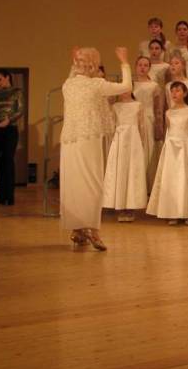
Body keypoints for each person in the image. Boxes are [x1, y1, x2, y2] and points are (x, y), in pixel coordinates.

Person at [60, 46, 130, 250]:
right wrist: (124, 61)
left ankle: (78, 229)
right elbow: (126, 86)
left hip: (69, 141)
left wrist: (74, 60)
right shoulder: (97, 85)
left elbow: (73, 74)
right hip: (88, 140)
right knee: (92, 183)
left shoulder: (68, 85)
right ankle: (92, 230)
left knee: (73, 184)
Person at [146, 82, 188, 225]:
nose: (174, 93)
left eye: (178, 91)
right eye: (172, 91)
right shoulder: (168, 112)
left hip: (186, 147)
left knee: (186, 178)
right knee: (172, 178)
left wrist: (185, 140)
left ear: (185, 93)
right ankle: (172, 211)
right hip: (171, 148)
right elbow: (168, 130)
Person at [102, 91, 147, 222]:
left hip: (133, 140)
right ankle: (120, 206)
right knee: (120, 171)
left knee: (132, 171)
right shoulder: (115, 106)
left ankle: (131, 207)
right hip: (119, 139)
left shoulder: (138, 105)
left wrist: (141, 143)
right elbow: (111, 125)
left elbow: (141, 125)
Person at [0, 69, 24, 206]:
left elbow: (20, 110)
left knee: (7, 161)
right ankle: (0, 197)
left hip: (10, 130)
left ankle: (9, 197)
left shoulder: (17, 92)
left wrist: (8, 120)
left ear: (7, 78)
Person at [133, 56, 164, 189]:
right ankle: (136, 184)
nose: (142, 68)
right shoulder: (130, 84)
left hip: (148, 119)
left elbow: (158, 108)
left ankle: (148, 184)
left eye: (146, 65)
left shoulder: (154, 86)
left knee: (148, 150)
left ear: (149, 68)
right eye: (140, 65)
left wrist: (159, 125)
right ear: (135, 66)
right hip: (133, 120)